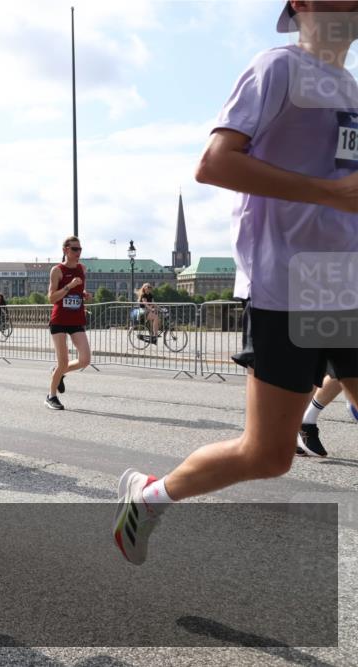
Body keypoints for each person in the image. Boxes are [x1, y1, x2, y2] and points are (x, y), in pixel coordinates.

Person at [114, 1, 358, 566]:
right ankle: (149, 497)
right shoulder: (277, 68)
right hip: (289, 286)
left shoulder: (350, 88)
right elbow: (215, 164)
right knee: (268, 455)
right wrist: (331, 194)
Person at [46, 236, 91, 410]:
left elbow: (79, 290)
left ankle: (58, 373)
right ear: (65, 250)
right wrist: (69, 287)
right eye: (74, 249)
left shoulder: (82, 268)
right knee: (63, 362)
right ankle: (51, 396)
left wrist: (84, 294)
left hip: (76, 319)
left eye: (80, 249)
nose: (78, 252)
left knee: (85, 359)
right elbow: (51, 298)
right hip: (59, 321)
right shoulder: (57, 270)